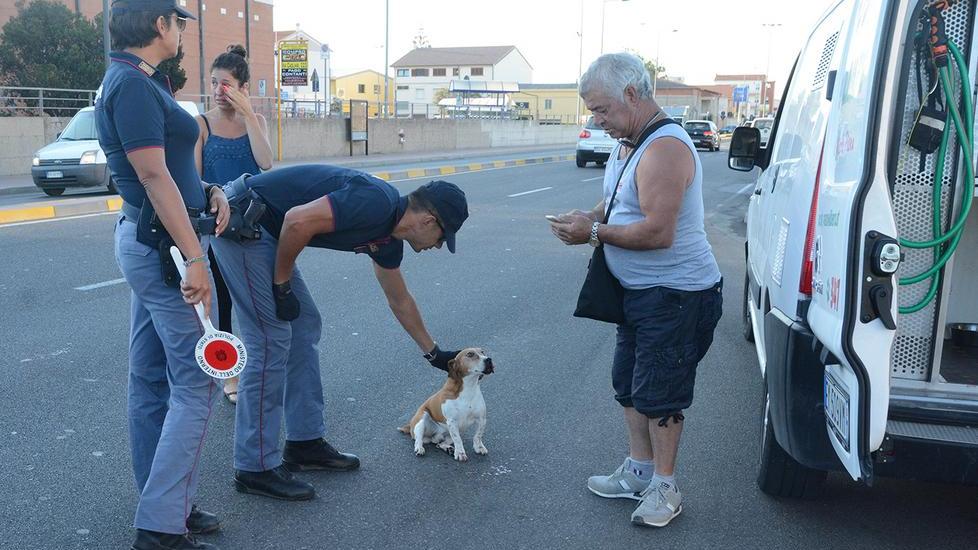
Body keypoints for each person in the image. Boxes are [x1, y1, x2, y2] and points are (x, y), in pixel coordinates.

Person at [210, 165, 468, 501]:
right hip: (243, 221)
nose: (437, 246)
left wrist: (434, 353)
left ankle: (304, 443)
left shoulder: (388, 239)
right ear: (429, 220)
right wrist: (281, 284)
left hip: (265, 230)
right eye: (441, 239)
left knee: (304, 326)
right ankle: (254, 466)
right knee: (270, 340)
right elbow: (297, 221)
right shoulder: (377, 201)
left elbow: (400, 300)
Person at [550, 52, 722, 528]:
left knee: (661, 395)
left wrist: (591, 234)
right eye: (591, 110)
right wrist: (591, 216)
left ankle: (665, 488)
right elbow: (620, 200)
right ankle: (638, 472)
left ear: (632, 94)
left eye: (601, 109)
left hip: (677, 295)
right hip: (640, 294)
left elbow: (656, 233)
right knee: (628, 386)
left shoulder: (665, 147)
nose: (595, 119)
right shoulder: (630, 140)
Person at [95, 1, 230, 549]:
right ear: (159, 25)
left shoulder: (139, 80)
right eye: (177, 23)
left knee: (151, 379)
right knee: (198, 383)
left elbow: (173, 167)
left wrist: (210, 192)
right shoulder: (130, 84)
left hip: (159, 242)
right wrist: (194, 258)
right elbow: (151, 174)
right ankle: (159, 524)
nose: (180, 32)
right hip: (166, 250)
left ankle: (166, 501)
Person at [194, 44, 273, 405]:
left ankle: (262, 370)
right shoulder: (202, 124)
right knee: (223, 302)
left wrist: (250, 116)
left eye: (225, 84)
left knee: (257, 303)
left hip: (254, 225)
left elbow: (266, 163)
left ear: (242, 87)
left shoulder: (256, 122)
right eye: (213, 83)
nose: (217, 91)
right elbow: (193, 179)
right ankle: (230, 373)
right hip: (217, 228)